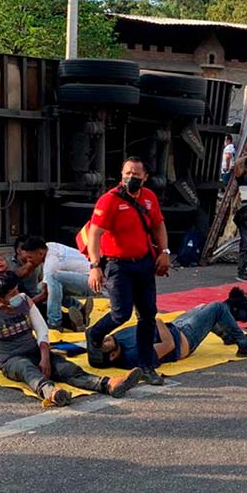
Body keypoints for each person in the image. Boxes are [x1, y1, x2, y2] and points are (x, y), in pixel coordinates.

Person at [0, 275, 134, 405]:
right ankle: (51, 392)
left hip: (35, 351)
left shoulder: (23, 300)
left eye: (17, 290)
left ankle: (107, 384)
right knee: (26, 369)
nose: (18, 295)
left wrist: (45, 357)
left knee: (66, 368)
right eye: (12, 293)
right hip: (11, 360)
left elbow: (41, 329)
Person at [81, 157, 170, 385]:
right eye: (127, 173)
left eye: (136, 174)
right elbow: (95, 234)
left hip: (143, 263)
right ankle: (94, 333)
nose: (131, 177)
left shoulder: (149, 198)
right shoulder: (109, 200)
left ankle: (146, 365)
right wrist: (95, 266)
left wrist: (165, 252)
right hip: (117, 265)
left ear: (145, 177)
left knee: (148, 315)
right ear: (121, 174)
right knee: (121, 313)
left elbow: (159, 225)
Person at [90, 301, 247, 369]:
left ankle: (227, 335)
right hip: (183, 339)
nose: (104, 338)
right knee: (217, 308)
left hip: (174, 327)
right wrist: (154, 321)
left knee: (202, 308)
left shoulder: (116, 341)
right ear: (112, 356)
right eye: (103, 344)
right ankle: (244, 344)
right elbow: (169, 345)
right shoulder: (133, 355)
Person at [18, 237, 93, 331]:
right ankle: (80, 308)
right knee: (48, 286)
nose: (29, 261)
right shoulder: (50, 245)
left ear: (40, 254)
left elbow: (46, 294)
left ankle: (54, 323)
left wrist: (26, 305)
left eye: (30, 257)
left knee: (51, 282)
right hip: (87, 276)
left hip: (92, 281)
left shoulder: (51, 264)